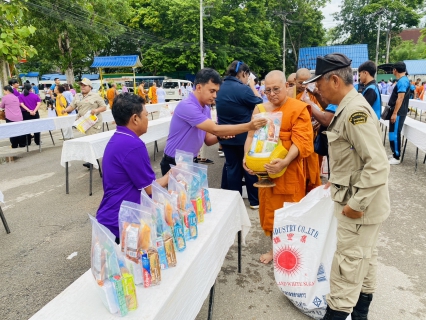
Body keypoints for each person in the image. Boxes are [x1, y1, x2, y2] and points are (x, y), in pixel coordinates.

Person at [303, 53, 390, 320]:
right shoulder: (348, 107)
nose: (316, 89)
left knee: (346, 270)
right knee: (364, 263)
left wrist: (355, 205)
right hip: (365, 206)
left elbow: (377, 164)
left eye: (319, 84)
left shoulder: (354, 113)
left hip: (360, 209)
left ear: (334, 79)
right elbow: (353, 160)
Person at [244, 70, 314, 263]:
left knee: (290, 212)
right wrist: (246, 157)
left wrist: (284, 162)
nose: (272, 93)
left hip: (288, 170)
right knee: (270, 211)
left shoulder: (298, 108)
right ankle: (275, 250)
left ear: (286, 86)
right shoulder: (260, 109)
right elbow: (251, 136)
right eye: (267, 90)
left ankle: (292, 249)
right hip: (265, 170)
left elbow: (301, 142)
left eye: (276, 89)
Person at [160, 68, 267, 175]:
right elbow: (215, 129)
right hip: (173, 162)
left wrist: (220, 136)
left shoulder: (205, 108)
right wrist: (249, 126)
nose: (215, 96)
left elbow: (208, 140)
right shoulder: (187, 106)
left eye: (216, 91)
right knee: (178, 192)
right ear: (198, 87)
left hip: (190, 161)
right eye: (212, 91)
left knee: (192, 192)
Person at [96, 93, 169, 242]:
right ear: (135, 119)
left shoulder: (119, 138)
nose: (148, 120)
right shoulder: (133, 145)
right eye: (146, 115)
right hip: (121, 222)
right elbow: (150, 189)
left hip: (113, 216)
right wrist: (172, 174)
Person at [216, 60, 263, 210]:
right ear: (243, 73)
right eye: (247, 76)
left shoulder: (219, 87)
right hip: (244, 136)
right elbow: (260, 103)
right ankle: (254, 201)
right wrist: (251, 85)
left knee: (232, 169)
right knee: (249, 168)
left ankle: (234, 202)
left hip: (225, 136)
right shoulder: (243, 89)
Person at [62, 78, 107, 167]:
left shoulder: (95, 95)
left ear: (90, 87)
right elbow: (72, 106)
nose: (82, 87)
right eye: (81, 85)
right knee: (89, 140)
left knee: (91, 141)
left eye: (84, 85)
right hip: (84, 123)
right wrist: (65, 110)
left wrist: (96, 110)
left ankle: (93, 162)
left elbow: (104, 107)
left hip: (94, 122)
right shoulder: (77, 96)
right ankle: (93, 160)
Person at [295, 68, 323, 192]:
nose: (303, 86)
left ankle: (312, 187)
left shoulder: (313, 95)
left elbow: (322, 110)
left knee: (312, 166)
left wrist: (319, 120)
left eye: (307, 82)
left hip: (312, 136)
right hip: (297, 137)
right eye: (300, 82)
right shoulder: (289, 95)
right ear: (295, 81)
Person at [387, 62, 411, 165]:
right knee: (392, 133)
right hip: (397, 111)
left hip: (399, 112)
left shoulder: (402, 81)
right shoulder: (403, 80)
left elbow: (400, 98)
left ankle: (397, 156)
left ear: (395, 70)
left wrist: (395, 113)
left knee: (395, 133)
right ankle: (394, 153)